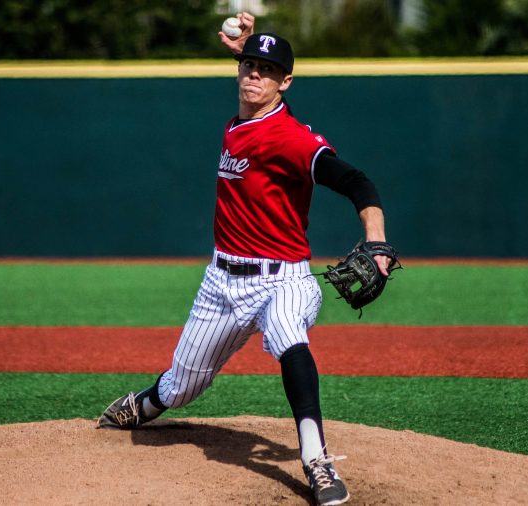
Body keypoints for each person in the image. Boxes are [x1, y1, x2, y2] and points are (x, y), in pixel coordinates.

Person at [98, 13, 391, 506]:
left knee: (288, 335)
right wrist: (250, 50)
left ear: (286, 82)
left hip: (284, 279)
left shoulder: (294, 139)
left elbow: (357, 181)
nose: (256, 75)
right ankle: (145, 404)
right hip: (221, 282)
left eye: (268, 70)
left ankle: (316, 460)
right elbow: (258, 80)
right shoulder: (238, 122)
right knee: (181, 385)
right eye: (250, 66)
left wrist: (377, 243)